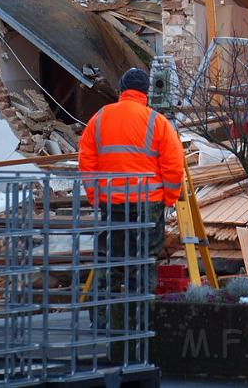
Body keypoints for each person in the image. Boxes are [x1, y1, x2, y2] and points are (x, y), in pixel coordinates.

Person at [78, 67, 184, 326]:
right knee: (143, 261)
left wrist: (95, 196)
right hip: (148, 205)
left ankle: (103, 320)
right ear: (146, 92)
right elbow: (173, 164)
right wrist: (168, 199)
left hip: (112, 203)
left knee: (109, 260)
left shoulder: (100, 119)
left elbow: (86, 162)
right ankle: (140, 323)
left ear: (122, 89)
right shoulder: (156, 121)